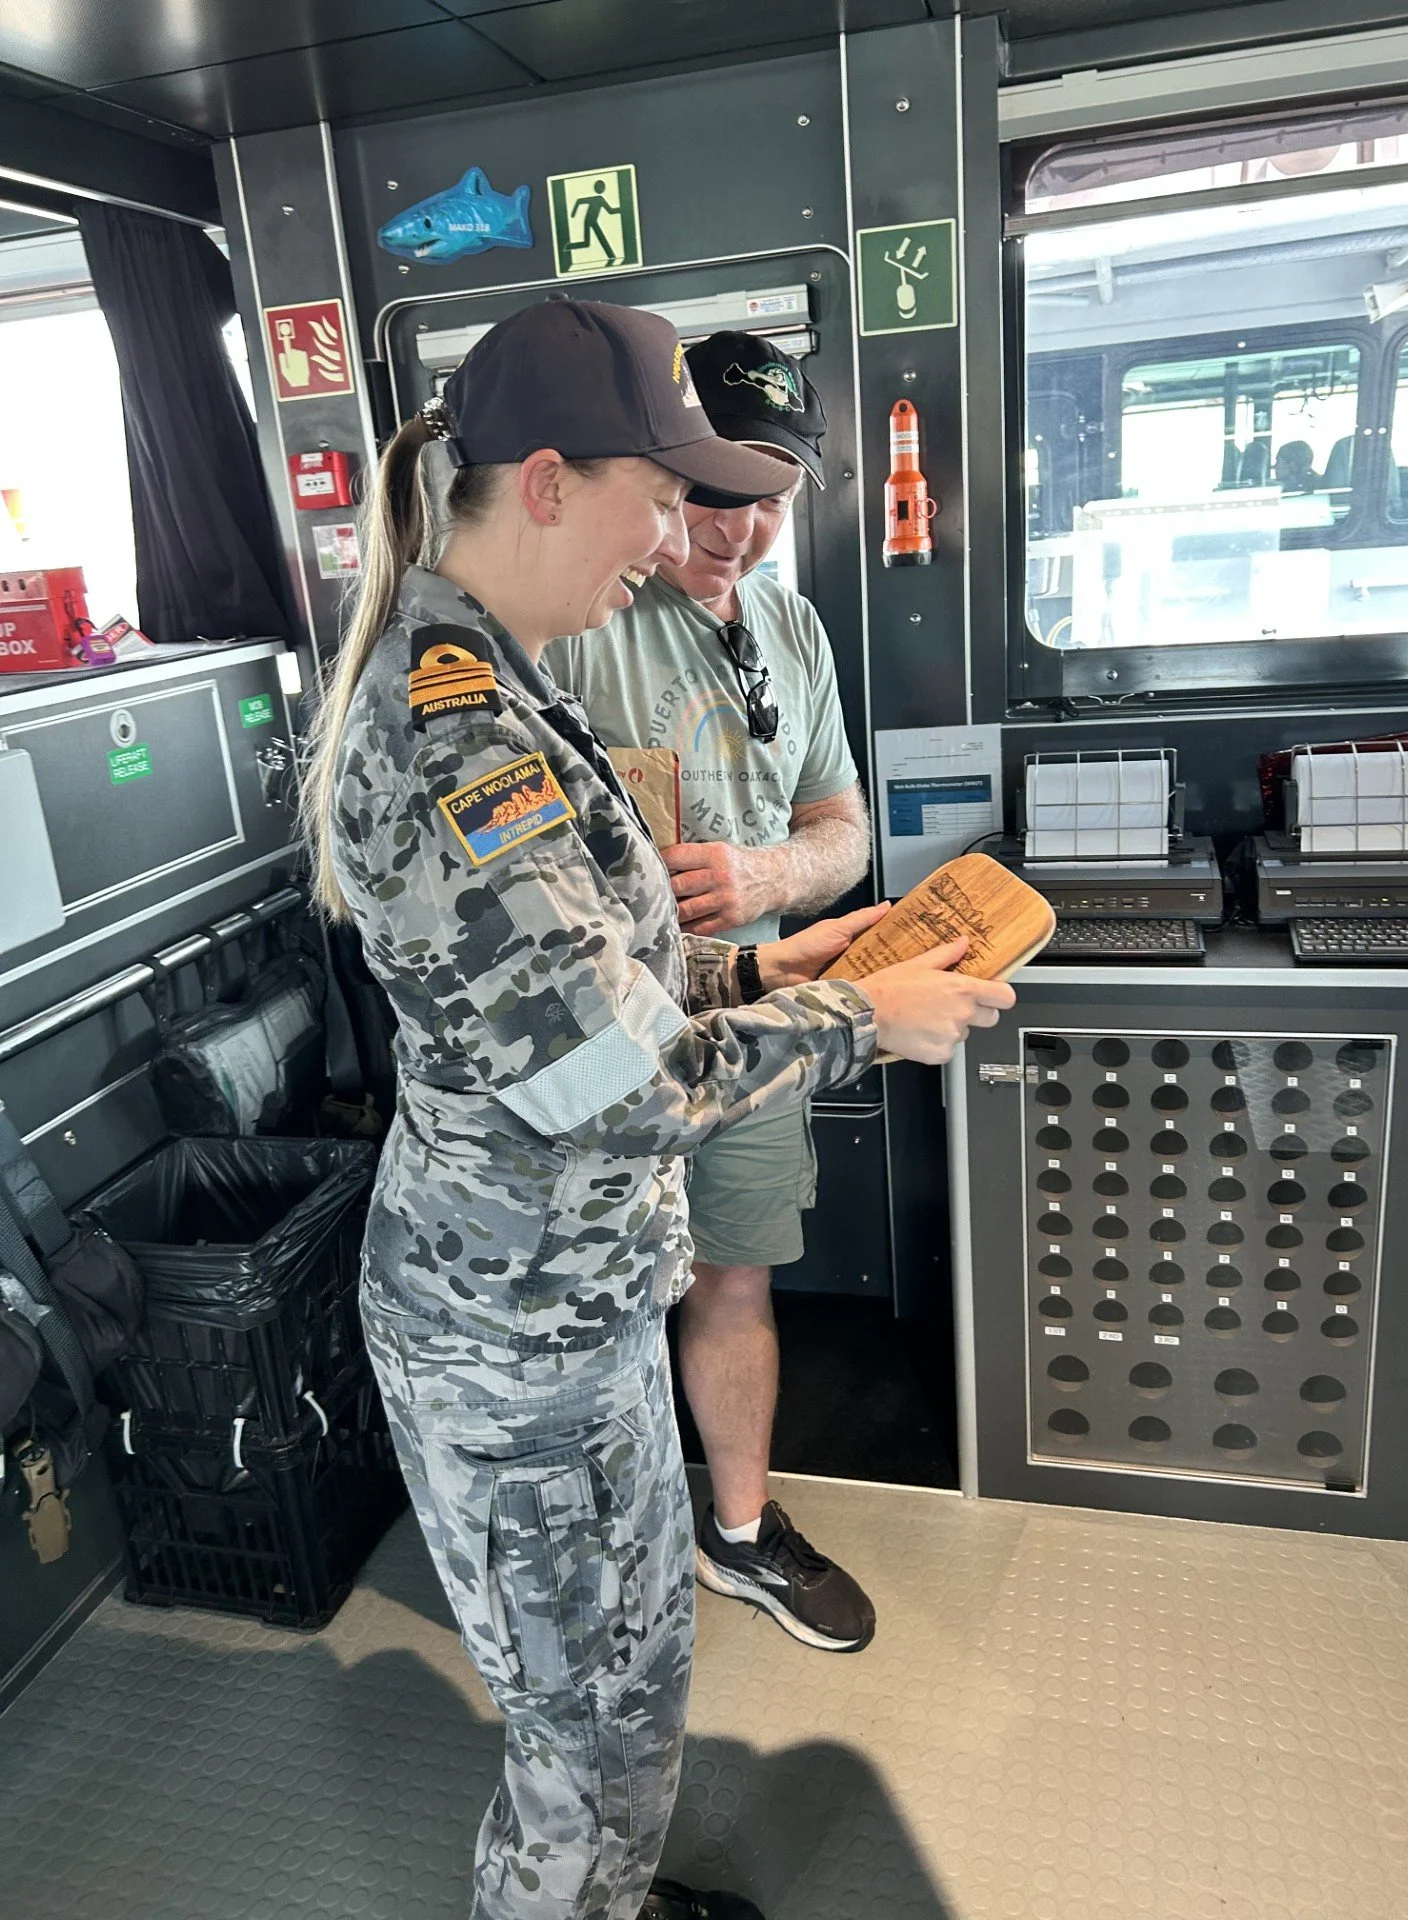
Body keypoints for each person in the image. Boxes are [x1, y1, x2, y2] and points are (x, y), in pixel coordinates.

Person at [300, 296, 1015, 1920]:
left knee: (627, 1693)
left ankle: (609, 1901)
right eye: (664, 491)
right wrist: (867, 1018)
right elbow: (619, 1098)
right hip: (514, 1342)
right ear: (552, 482)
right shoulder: (455, 731)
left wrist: (773, 961)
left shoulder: (507, 679)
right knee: (587, 1741)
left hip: (577, 1302)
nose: (681, 531)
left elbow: (588, 992)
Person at [549, 332, 877, 1655]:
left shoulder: (793, 629)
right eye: (712, 494)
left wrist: (767, 874)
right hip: (600, 1046)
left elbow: (844, 831)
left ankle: (737, 1535)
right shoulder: (579, 619)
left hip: (754, 1024)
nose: (737, 531)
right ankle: (601, 1561)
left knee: (734, 1277)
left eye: (771, 499)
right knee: (601, 1297)